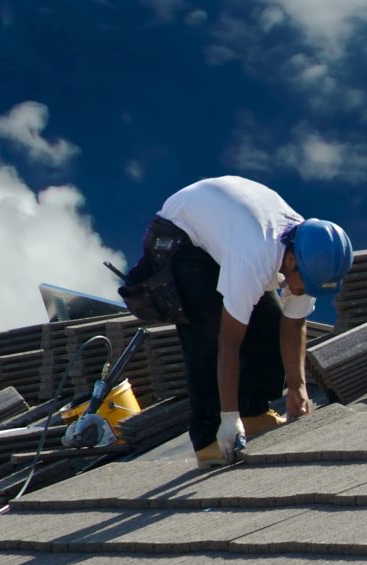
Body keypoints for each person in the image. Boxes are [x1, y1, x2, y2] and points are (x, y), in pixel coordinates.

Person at [145, 176, 353, 467]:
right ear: (291, 262)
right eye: (305, 286)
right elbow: (228, 343)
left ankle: (254, 414)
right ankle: (209, 439)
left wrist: (298, 387)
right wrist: (229, 418)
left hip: (226, 226)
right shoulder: (254, 257)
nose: (304, 292)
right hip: (181, 235)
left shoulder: (309, 254)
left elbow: (293, 325)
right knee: (208, 331)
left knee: (270, 321)